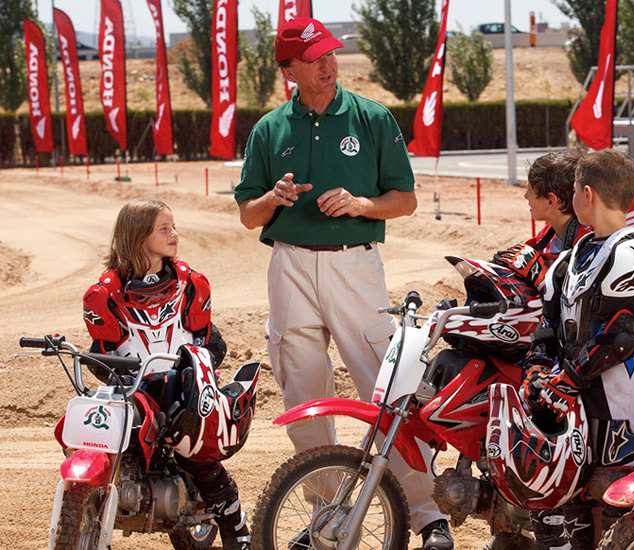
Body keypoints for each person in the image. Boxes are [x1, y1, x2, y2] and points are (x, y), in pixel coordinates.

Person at [232, 17, 453, 550]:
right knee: (303, 393)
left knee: (385, 386)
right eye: (314, 58)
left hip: (356, 266)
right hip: (288, 268)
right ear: (288, 69)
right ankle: (326, 516)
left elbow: (405, 199)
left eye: (331, 53)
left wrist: (359, 205)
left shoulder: (371, 118)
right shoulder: (269, 129)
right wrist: (274, 199)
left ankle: (426, 515)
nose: (328, 64)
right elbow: (247, 213)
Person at [82, 199, 251, 550]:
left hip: (182, 392)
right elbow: (100, 353)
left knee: (196, 454)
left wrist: (191, 372)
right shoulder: (106, 293)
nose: (175, 234)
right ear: (138, 235)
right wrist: (109, 371)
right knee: (97, 434)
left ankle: (238, 531)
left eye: (173, 227)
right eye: (165, 229)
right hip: (134, 393)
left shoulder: (189, 284)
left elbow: (211, 343)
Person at [521, 149, 634, 550]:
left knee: (617, 498)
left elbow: (620, 338)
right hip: (570, 395)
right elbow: (548, 325)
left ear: (587, 193)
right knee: (570, 497)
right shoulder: (573, 255)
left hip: (616, 398)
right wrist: (536, 368)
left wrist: (567, 379)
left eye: (575, 190)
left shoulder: (630, 252)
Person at [491, 149, 592, 292]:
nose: (526, 196)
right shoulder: (546, 235)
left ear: (551, 201)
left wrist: (544, 281)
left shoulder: (589, 244)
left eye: (530, 191)